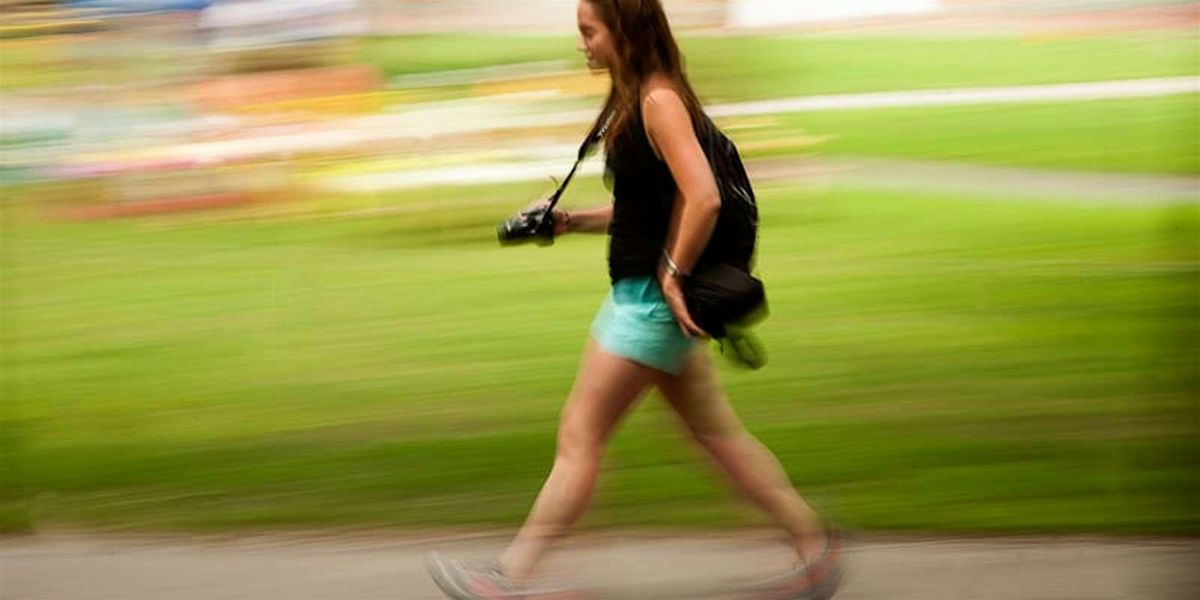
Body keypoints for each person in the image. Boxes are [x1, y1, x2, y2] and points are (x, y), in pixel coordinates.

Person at [428, 1, 842, 598]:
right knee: (715, 435)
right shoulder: (644, 96)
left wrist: (672, 275)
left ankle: (507, 578)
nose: (582, 44)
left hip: (649, 303)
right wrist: (570, 221)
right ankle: (816, 547)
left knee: (580, 436)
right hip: (650, 298)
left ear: (623, 31)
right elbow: (648, 210)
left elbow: (703, 198)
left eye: (589, 31)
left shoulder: (658, 101)